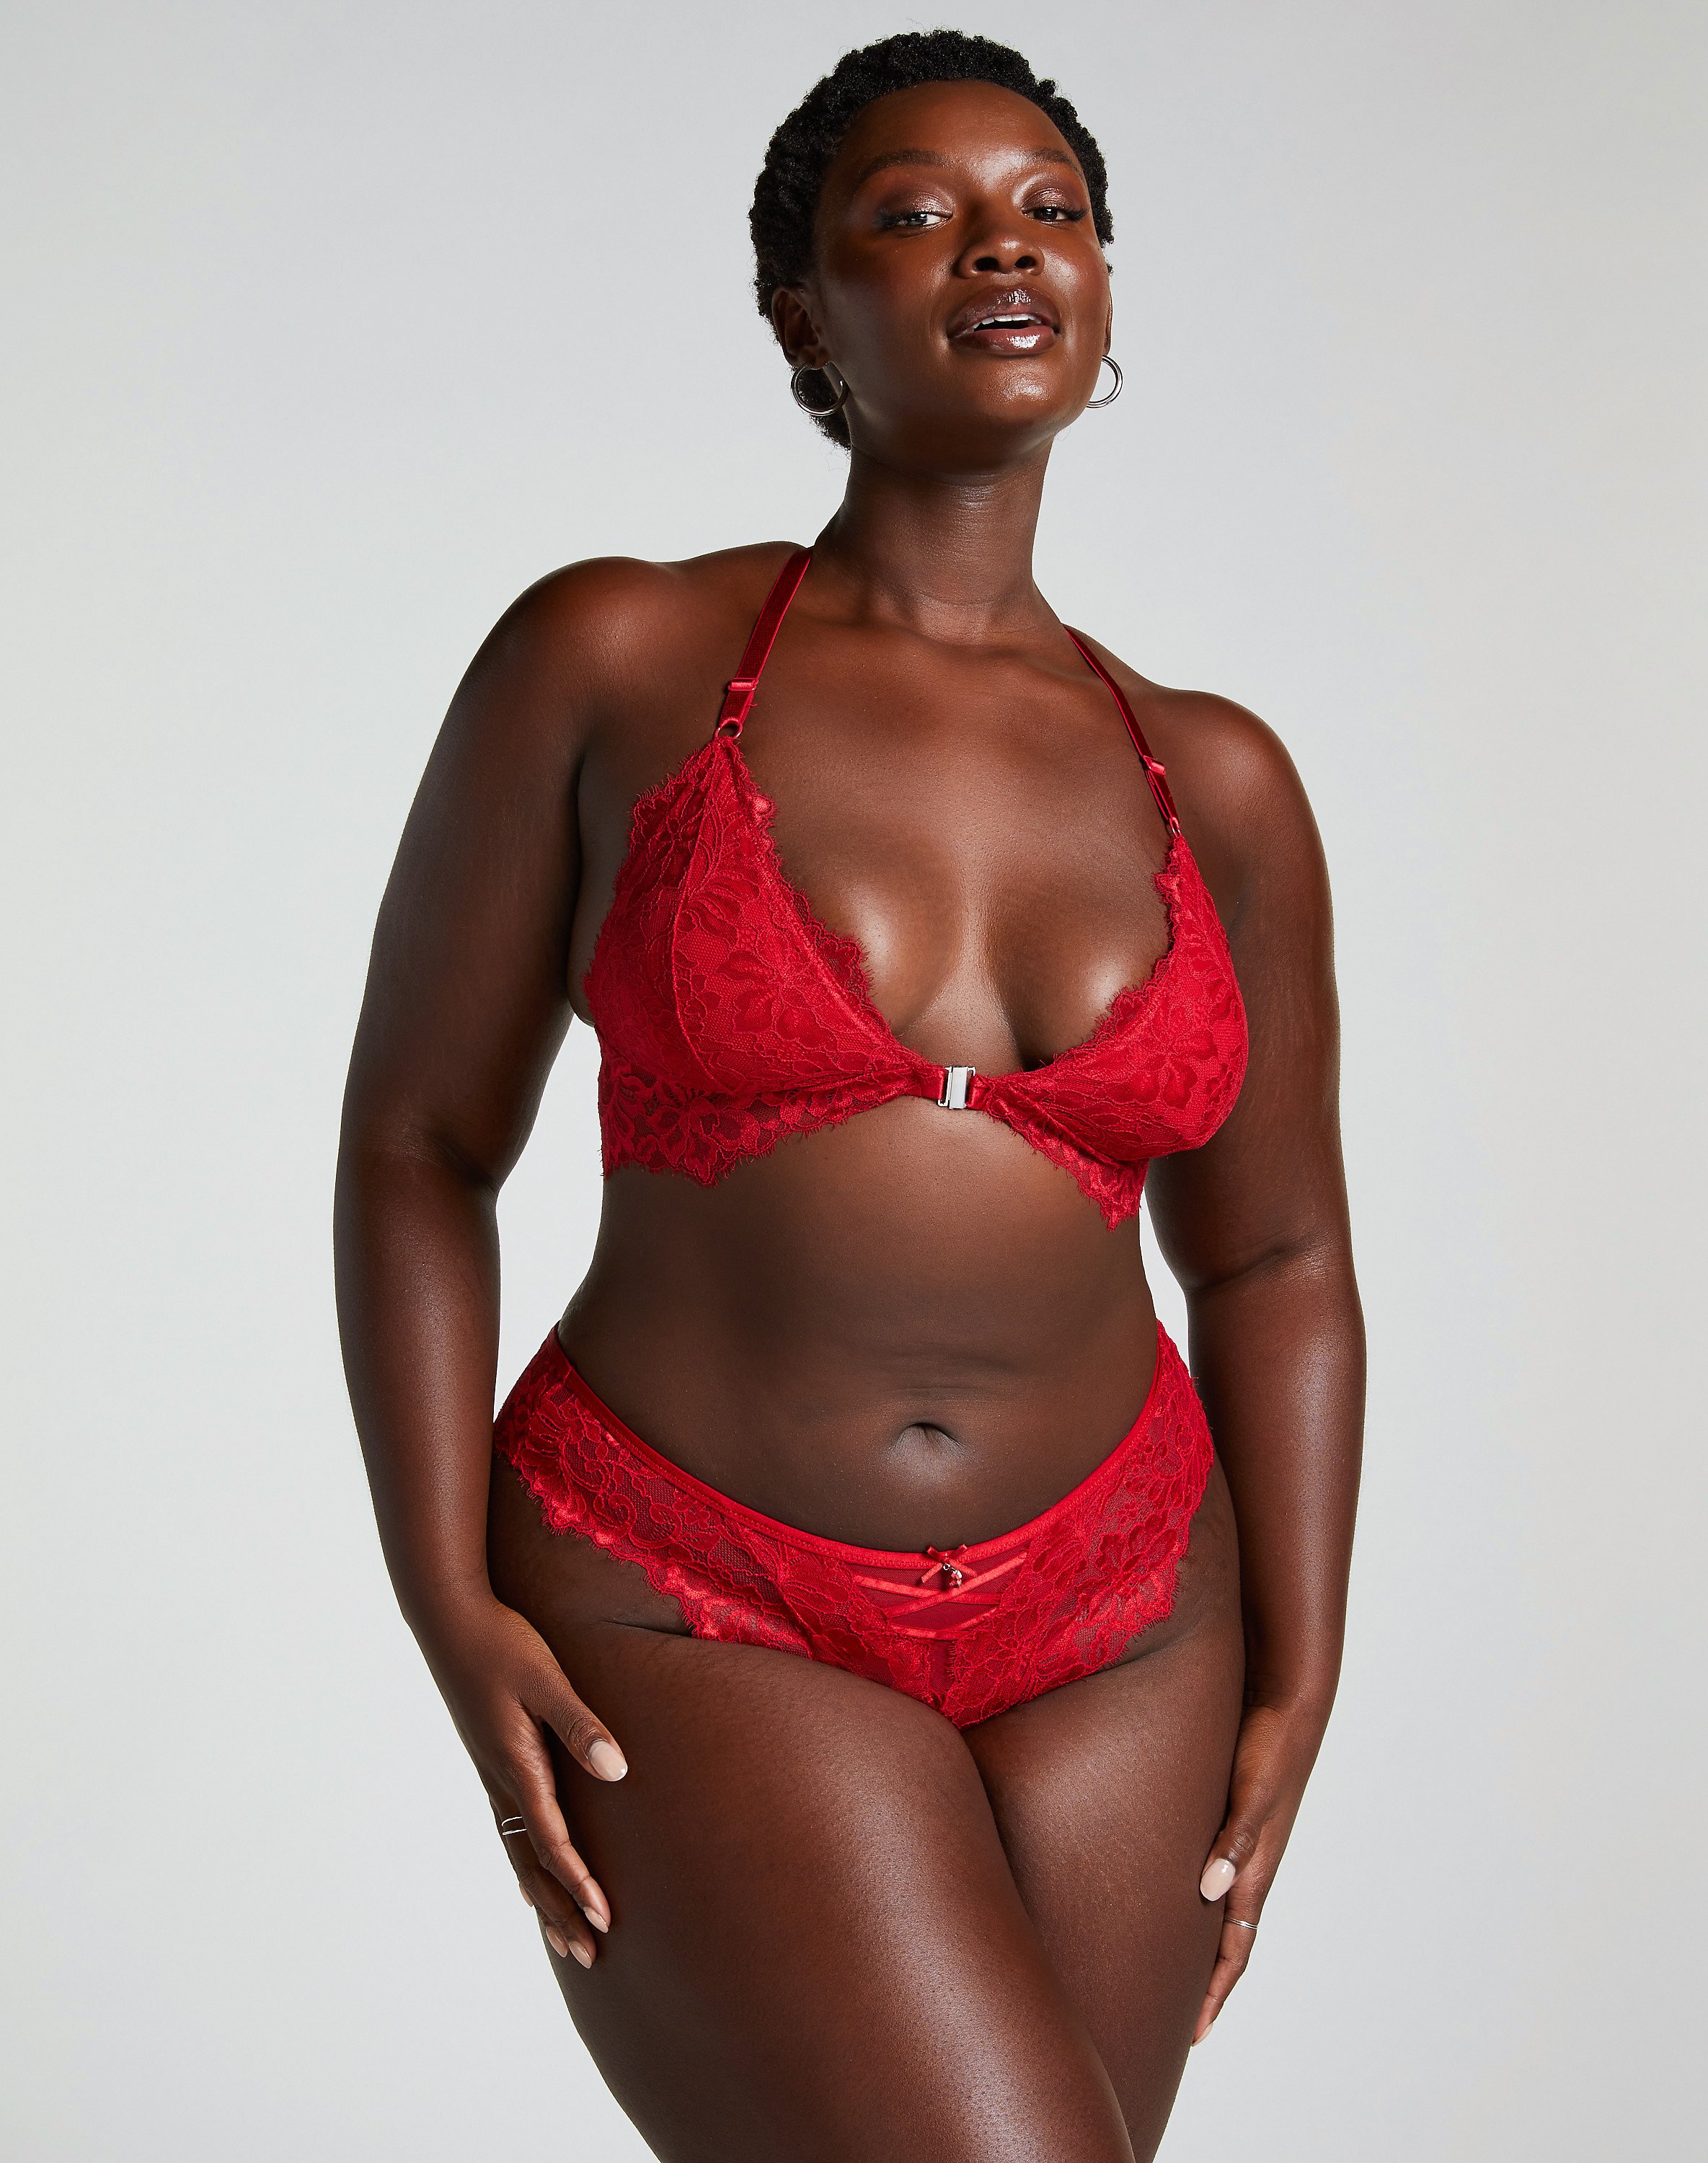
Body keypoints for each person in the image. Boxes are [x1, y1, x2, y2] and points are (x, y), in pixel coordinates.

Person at [335, 29, 1363, 2162]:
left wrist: (1302, 1665)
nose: (1001, 246)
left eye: (1050, 210)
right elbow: (419, 1148)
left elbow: (1275, 1256)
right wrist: (444, 1596)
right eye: (914, 214)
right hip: (683, 1587)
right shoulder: (616, 660)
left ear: (1102, 292)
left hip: (1128, 1622)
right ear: (802, 312)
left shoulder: (1221, 776)